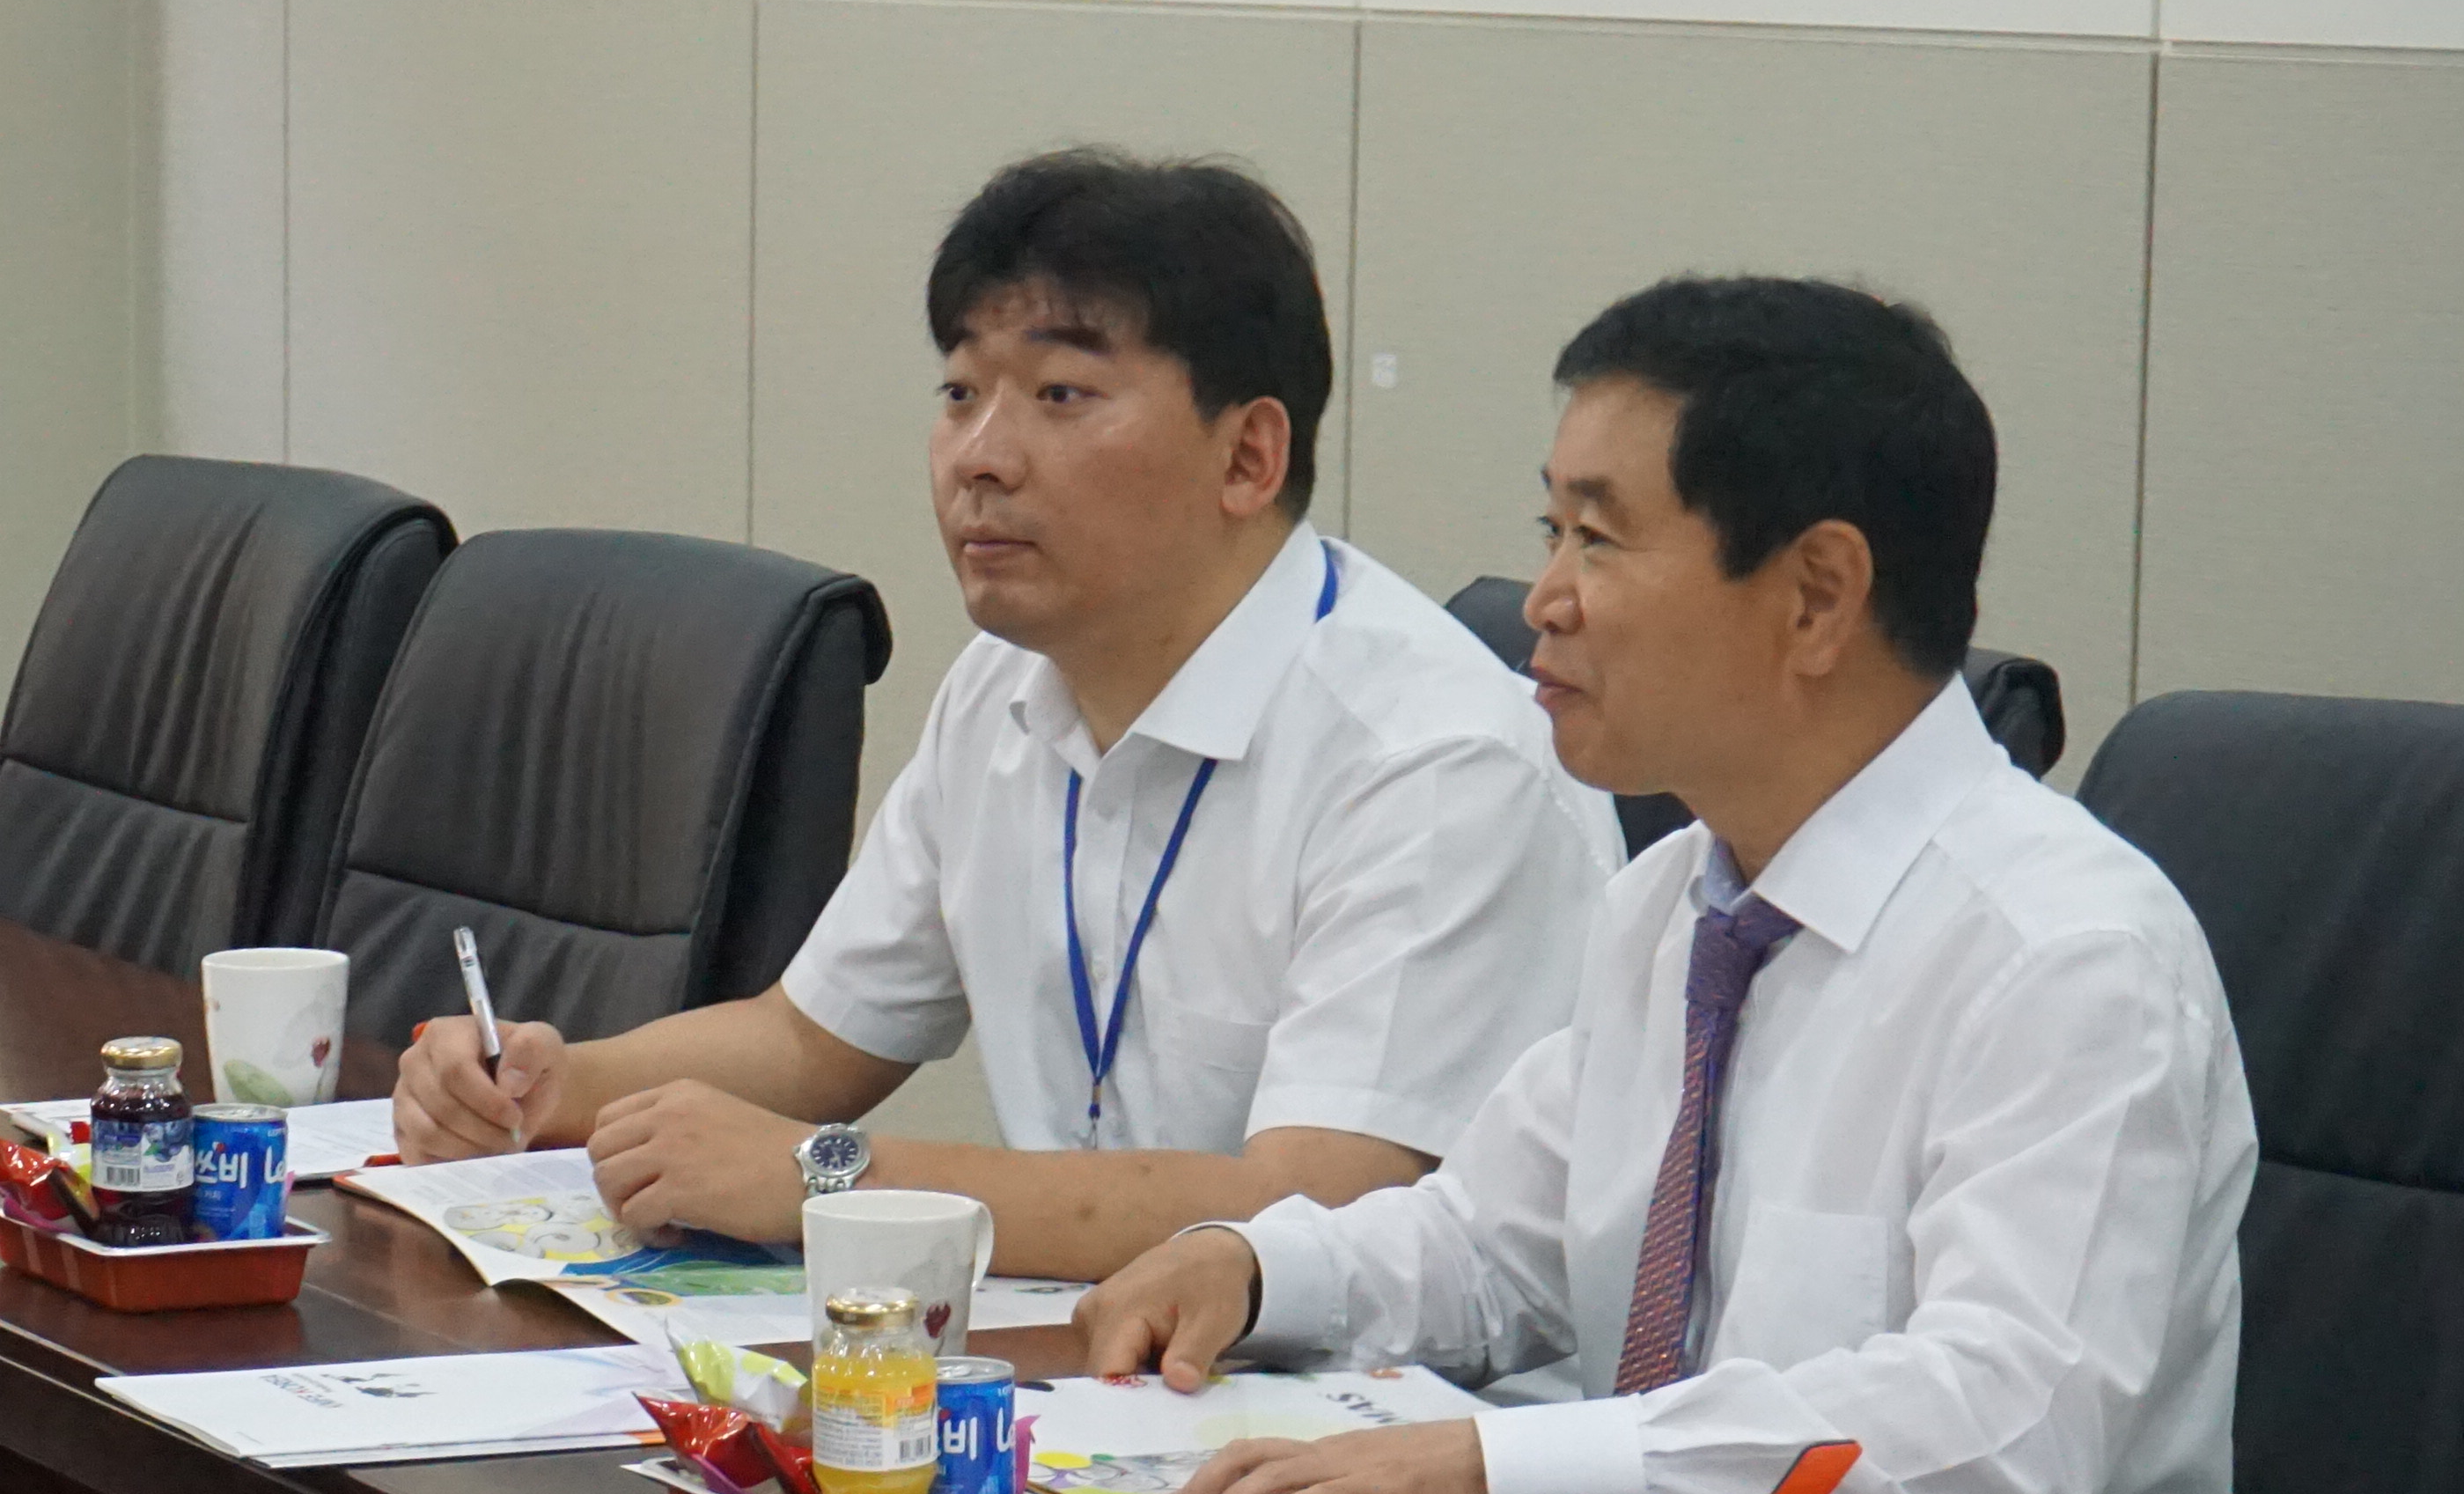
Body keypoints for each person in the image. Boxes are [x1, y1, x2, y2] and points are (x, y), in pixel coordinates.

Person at [1080, 278, 2252, 1494]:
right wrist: (1255, 1268)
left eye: (1597, 539)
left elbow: (2003, 1422)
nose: (1545, 599)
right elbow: (1496, 1239)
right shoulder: (1676, 899)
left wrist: (1510, 1466)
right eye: (1552, 530)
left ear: (1817, 596)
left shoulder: (2066, 956)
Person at [388, 151, 1611, 1277]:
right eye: (960, 390)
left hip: (1367, 1403)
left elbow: (1315, 1205)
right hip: (1094, 1364)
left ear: (1248, 457)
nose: (981, 454)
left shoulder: (1431, 761)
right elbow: (812, 1040)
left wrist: (827, 1176)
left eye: (1061, 394)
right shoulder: (1005, 688)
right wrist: (551, 1083)